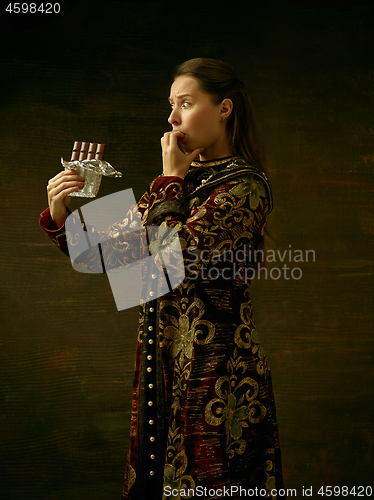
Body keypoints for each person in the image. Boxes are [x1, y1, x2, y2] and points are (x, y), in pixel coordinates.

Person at [40, 58, 284, 499]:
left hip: (217, 374)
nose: (172, 119)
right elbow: (105, 256)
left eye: (186, 104)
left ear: (224, 107)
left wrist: (171, 179)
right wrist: (63, 211)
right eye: (171, 106)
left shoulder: (247, 186)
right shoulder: (171, 183)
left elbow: (173, 261)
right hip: (160, 363)